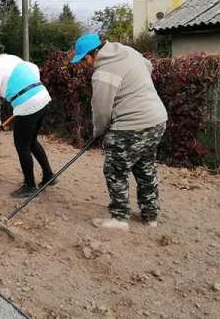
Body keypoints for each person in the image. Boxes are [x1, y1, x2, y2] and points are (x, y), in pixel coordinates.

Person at [71, 33, 168, 230]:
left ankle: (119, 217)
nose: (85, 64)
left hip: (133, 124)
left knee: (115, 169)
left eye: (86, 59)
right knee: (145, 167)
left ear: (96, 52)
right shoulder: (127, 51)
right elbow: (148, 66)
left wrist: (98, 132)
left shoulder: (103, 72)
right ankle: (150, 217)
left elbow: (101, 109)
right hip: (157, 119)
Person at [0, 47, 54, 198]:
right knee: (32, 141)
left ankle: (30, 186)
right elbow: (33, 68)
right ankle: (49, 176)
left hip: (28, 106)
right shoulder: (9, 58)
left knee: (22, 147)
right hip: (43, 98)